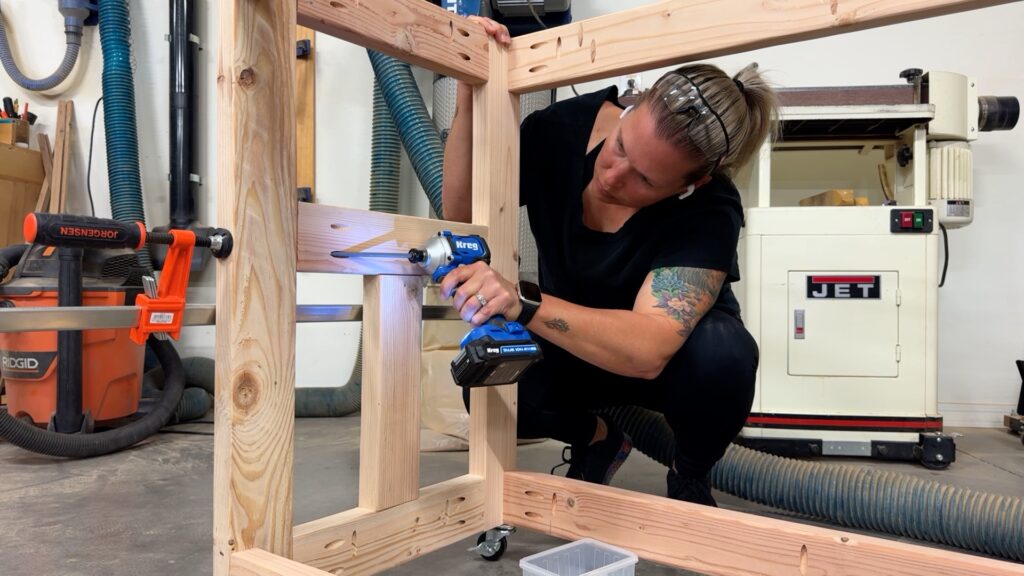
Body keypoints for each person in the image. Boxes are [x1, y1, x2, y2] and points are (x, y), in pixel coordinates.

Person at [441, 18, 777, 506]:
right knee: (488, 378)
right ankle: (599, 437)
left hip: (669, 366)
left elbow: (648, 349)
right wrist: (470, 90)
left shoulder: (710, 207)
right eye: (620, 147)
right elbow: (460, 210)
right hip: (573, 345)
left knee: (723, 356)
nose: (612, 177)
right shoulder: (560, 131)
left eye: (644, 179)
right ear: (631, 107)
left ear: (691, 184)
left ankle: (688, 473)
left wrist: (523, 303)